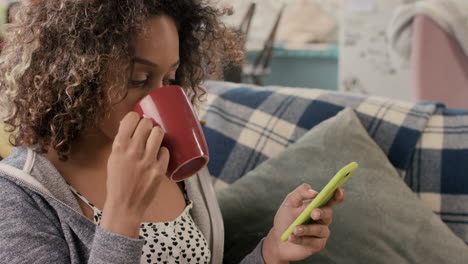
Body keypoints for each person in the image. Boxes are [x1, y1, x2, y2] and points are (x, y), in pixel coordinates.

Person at [0, 1, 345, 263]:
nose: (160, 98)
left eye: (169, 79)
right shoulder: (18, 198)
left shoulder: (173, 163)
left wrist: (271, 252)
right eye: (139, 79)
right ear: (78, 74)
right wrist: (122, 213)